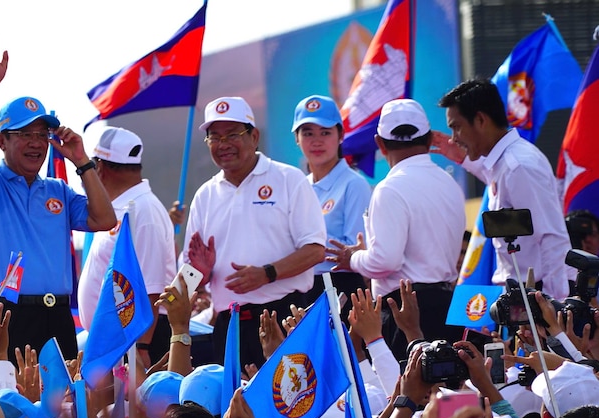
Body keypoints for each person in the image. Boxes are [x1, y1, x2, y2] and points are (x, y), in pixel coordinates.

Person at [0, 37, 115, 361]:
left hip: (57, 316)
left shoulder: (58, 190)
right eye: (24, 134)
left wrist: (82, 160)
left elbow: (105, 219)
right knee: (9, 404)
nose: (36, 143)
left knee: (63, 409)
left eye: (41, 135)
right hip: (3, 315)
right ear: (2, 141)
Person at [183, 96, 327, 369]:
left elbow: (315, 250)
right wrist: (199, 273)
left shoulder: (287, 179)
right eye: (214, 137)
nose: (223, 145)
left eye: (232, 135)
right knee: (234, 408)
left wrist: (266, 273)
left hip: (285, 315)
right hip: (230, 324)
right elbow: (190, 275)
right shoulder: (205, 195)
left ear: (254, 136)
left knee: (290, 402)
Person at [326, 99, 465, 359]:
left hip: (405, 311)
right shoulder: (450, 184)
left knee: (408, 395)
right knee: (449, 395)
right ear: (429, 140)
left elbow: (385, 260)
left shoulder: (389, 189)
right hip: (447, 304)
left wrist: (352, 258)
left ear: (379, 143)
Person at [435, 78, 571, 300]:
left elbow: (551, 237)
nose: (454, 138)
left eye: (456, 127)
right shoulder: (504, 164)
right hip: (523, 297)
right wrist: (464, 159)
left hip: (538, 297)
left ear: (480, 120)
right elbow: (493, 177)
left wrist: (554, 308)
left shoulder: (518, 166)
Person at [77, 127, 176, 368]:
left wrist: (141, 348)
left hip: (137, 337)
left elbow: (152, 288)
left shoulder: (142, 210)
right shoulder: (123, 209)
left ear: (99, 167)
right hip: (121, 337)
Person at [292, 95, 372, 314]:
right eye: (308, 133)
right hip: (304, 289)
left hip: (341, 288)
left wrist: (305, 253)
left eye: (325, 132)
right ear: (297, 139)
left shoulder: (353, 184)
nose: (317, 141)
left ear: (340, 136)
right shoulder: (299, 187)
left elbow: (352, 250)